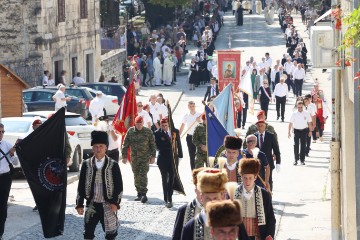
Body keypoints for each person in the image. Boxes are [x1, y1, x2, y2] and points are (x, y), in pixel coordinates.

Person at [76, 131, 123, 240]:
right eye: (96, 146)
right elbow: (81, 185)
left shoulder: (113, 164)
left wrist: (115, 202)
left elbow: (119, 186)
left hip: (108, 204)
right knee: (87, 233)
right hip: (91, 204)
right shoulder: (86, 164)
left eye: (101, 146)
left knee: (111, 234)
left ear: (106, 147)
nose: (98, 149)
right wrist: (79, 204)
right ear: (92, 148)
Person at [233, 158, 276, 239]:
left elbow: (271, 218)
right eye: (245, 178)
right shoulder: (234, 193)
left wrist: (269, 235)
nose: (247, 181)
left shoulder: (264, 194)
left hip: (257, 236)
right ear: (241, 176)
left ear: (255, 177)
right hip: (239, 235)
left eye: (250, 178)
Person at [180, 168, 228, 240]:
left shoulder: (236, 223)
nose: (211, 203)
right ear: (201, 197)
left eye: (215, 198)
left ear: (223, 196)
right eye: (208, 199)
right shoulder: (190, 228)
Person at [121, 116, 156, 203]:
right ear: (135, 124)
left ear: (143, 123)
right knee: (136, 174)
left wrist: (153, 156)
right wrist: (124, 156)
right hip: (134, 158)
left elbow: (153, 144)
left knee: (143, 174)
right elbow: (125, 144)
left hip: (145, 158)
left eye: (140, 124)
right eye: (137, 124)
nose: (139, 126)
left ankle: (144, 193)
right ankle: (139, 193)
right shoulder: (131, 131)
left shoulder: (148, 132)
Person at [154, 117, 183, 208]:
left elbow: (178, 143)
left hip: (173, 159)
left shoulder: (174, 132)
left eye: (166, 125)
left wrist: (180, 155)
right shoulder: (157, 133)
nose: (164, 127)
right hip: (162, 159)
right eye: (163, 126)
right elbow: (159, 147)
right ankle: (166, 197)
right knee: (164, 178)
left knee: (171, 178)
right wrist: (169, 142)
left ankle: (170, 197)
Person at [172, 167, 206, 240]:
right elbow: (176, 237)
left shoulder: (220, 212)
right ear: (195, 189)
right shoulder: (184, 210)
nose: (202, 194)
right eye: (200, 189)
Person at [0, 123, 18, 240]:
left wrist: (12, 154)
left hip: (4, 178)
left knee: (2, 207)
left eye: (2, 131)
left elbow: (15, 162)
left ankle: (0, 232)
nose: (1, 134)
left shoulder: (7, 145)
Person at [254, 120, 281, 191]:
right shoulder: (254, 136)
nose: (260, 128)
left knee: (268, 180)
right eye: (258, 126)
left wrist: (278, 162)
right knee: (259, 180)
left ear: (265, 126)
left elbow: (276, 150)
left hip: (268, 162)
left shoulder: (271, 136)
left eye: (262, 126)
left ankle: (269, 196)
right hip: (257, 163)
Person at [288, 101, 313, 165]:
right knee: (296, 145)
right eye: (299, 107)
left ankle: (302, 160)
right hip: (296, 131)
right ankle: (296, 159)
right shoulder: (294, 114)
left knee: (303, 145)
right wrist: (289, 132)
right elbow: (290, 123)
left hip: (304, 130)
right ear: (297, 106)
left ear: (303, 107)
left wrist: (310, 131)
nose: (300, 109)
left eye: (301, 107)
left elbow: (310, 122)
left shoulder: (306, 113)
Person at [179, 101, 202, 170]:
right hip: (190, 137)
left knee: (200, 156)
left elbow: (204, 124)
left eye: (193, 106)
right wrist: (178, 136)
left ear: (195, 106)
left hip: (198, 137)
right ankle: (193, 172)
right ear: (188, 107)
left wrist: (199, 121)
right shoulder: (186, 115)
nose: (192, 108)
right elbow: (182, 126)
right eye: (190, 106)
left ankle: (200, 171)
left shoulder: (199, 115)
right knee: (192, 156)